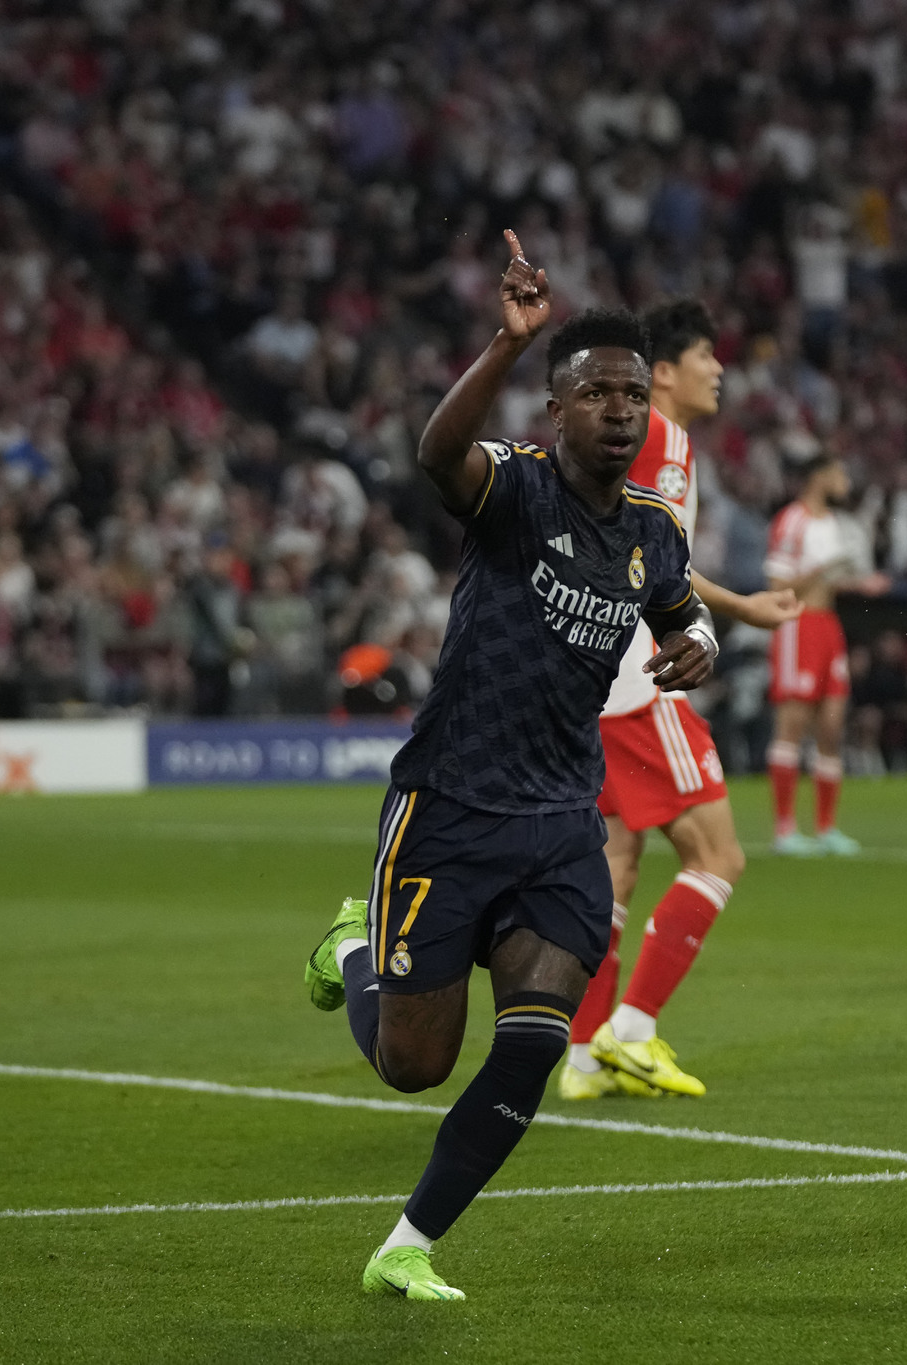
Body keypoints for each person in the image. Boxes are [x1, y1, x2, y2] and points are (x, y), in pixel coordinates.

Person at [302, 233, 717, 1303]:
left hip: (556, 823)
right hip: (448, 806)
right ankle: (352, 948)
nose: (620, 410)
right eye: (595, 394)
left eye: (633, 394)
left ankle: (407, 1244)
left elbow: (684, 620)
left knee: (534, 1043)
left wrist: (697, 649)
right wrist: (504, 340)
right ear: (555, 410)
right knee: (414, 1065)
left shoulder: (652, 533)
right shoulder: (512, 491)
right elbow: (437, 458)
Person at [564, 298, 801, 1102]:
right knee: (718, 854)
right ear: (663, 372)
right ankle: (632, 1030)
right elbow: (648, 561)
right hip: (640, 677)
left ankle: (585, 1058)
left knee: (617, 868)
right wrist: (736, 612)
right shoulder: (663, 439)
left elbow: (642, 552)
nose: (719, 370)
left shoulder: (618, 442)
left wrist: (741, 606)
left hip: (592, 677)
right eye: (707, 357)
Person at [764, 453, 876, 855]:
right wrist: (823, 568)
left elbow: (829, 581)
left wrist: (858, 583)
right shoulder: (792, 520)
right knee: (792, 725)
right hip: (799, 625)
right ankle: (785, 830)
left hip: (829, 625)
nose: (845, 479)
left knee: (831, 725)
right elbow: (777, 582)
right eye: (839, 471)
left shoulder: (831, 523)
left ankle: (827, 827)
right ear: (819, 477)